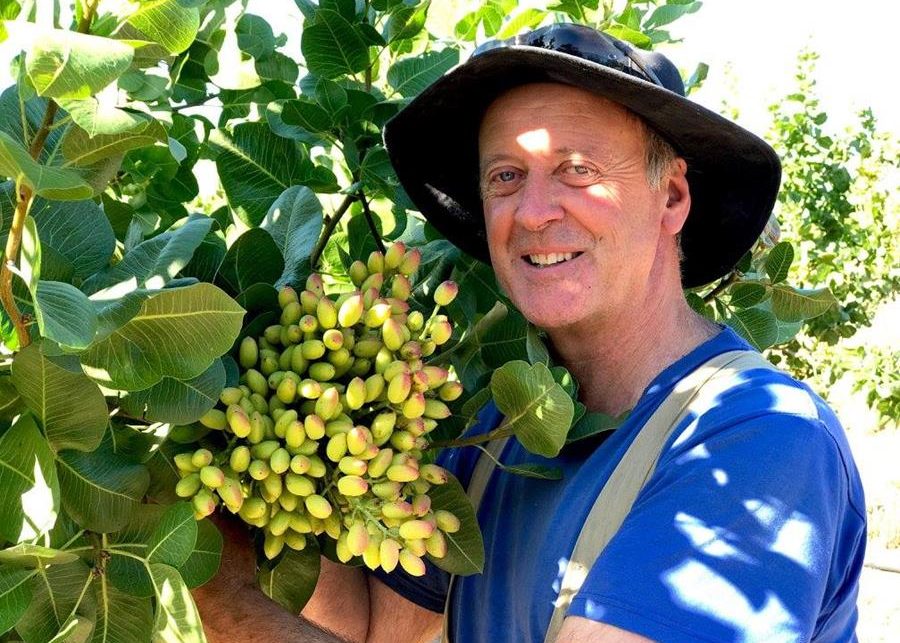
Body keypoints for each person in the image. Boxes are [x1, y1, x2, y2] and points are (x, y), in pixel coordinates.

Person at [193, 23, 866, 643]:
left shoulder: (761, 441)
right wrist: (201, 517)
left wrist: (222, 599)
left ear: (672, 198)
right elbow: (371, 627)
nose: (535, 212)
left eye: (579, 170)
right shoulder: (493, 436)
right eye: (506, 177)